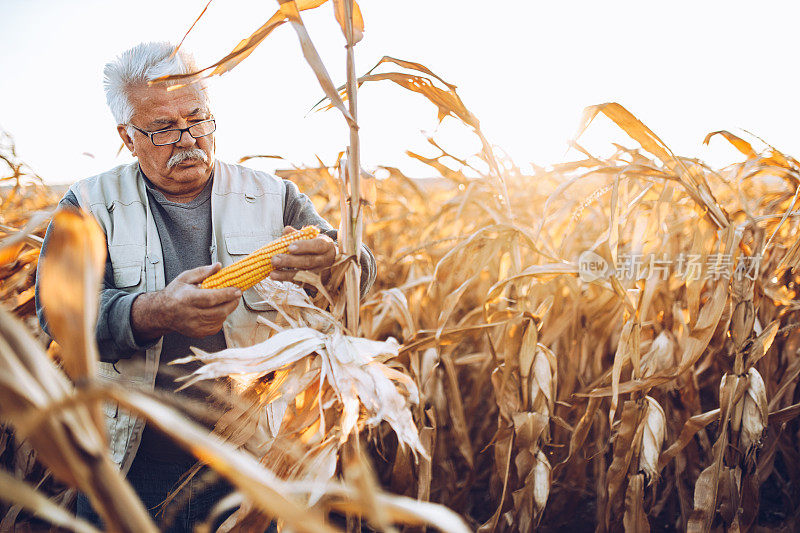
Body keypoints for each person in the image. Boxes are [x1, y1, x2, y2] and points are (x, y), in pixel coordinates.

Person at [33, 41, 376, 531]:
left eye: (197, 118)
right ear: (127, 137)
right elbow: (57, 315)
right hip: (130, 463)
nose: (187, 138)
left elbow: (360, 270)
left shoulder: (273, 194)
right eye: (163, 129)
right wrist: (155, 311)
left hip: (251, 456)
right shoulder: (89, 204)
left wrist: (335, 258)